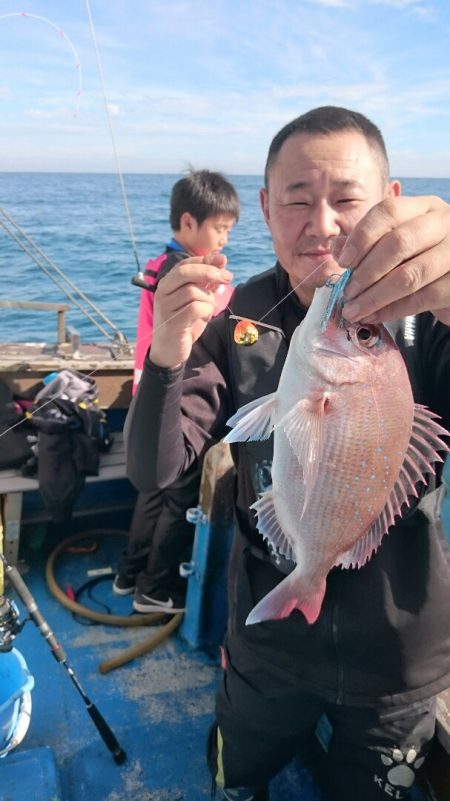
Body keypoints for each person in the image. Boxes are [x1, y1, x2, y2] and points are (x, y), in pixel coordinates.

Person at [124, 106, 450, 800]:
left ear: (391, 204)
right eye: (297, 201)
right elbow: (156, 469)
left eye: (347, 199)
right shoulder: (237, 315)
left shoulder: (431, 322)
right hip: (265, 650)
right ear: (266, 210)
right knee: (239, 777)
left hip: (397, 657)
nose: (323, 224)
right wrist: (163, 360)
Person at [114, 168, 239, 613]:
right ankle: (155, 588)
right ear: (189, 223)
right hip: (177, 400)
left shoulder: (160, 266)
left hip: (146, 391)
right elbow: (222, 321)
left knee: (149, 494)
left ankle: (128, 576)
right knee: (178, 497)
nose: (224, 240)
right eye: (219, 229)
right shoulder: (187, 274)